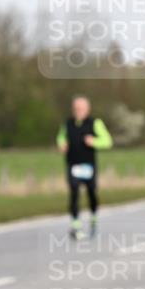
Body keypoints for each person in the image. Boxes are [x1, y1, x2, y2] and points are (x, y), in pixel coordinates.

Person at [56, 96, 113, 239]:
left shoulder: (95, 123)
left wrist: (94, 141)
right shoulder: (67, 123)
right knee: (74, 192)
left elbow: (108, 141)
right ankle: (75, 225)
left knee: (91, 193)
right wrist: (61, 144)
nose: (78, 111)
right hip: (73, 164)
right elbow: (60, 137)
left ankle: (93, 217)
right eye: (76, 108)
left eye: (81, 108)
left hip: (88, 166)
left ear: (88, 109)